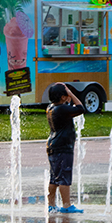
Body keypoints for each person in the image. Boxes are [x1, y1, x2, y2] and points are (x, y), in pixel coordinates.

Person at [46, 82, 85, 214]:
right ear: (63, 97)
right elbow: (80, 108)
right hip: (63, 147)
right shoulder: (62, 109)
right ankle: (66, 205)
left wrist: (67, 96)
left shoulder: (51, 107)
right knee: (64, 177)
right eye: (66, 93)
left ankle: (51, 204)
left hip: (53, 145)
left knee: (54, 177)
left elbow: (71, 109)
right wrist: (71, 94)